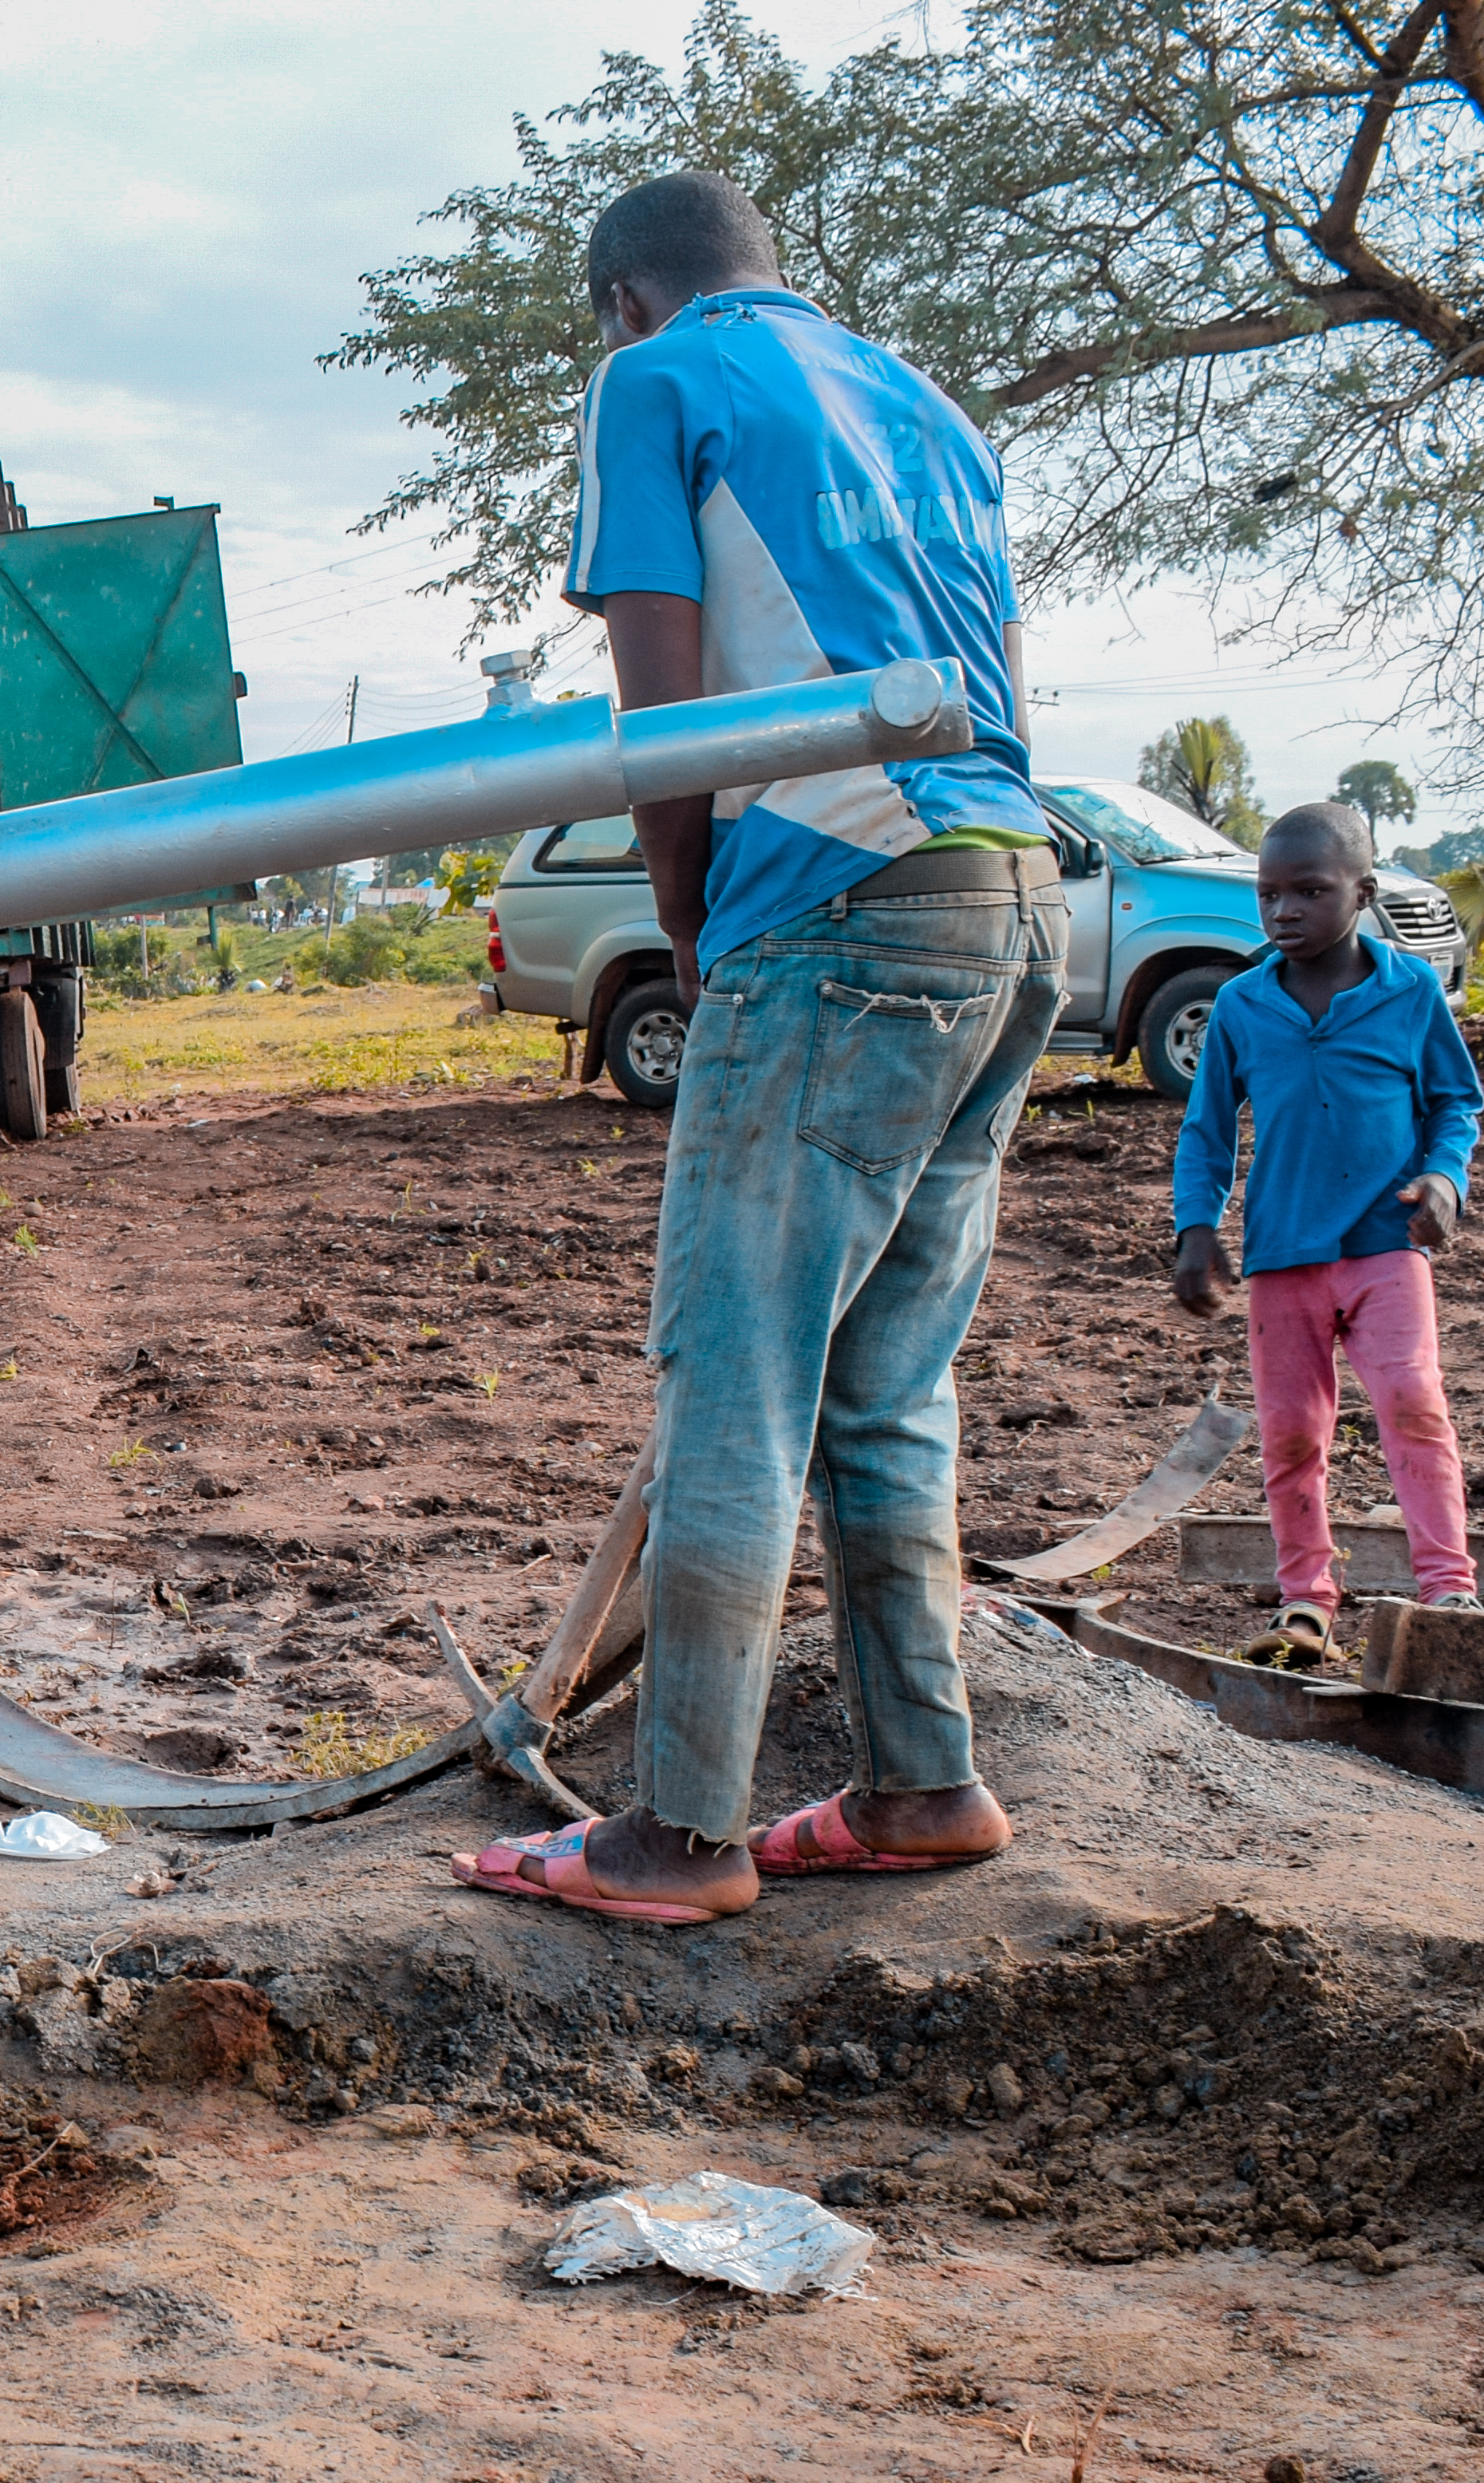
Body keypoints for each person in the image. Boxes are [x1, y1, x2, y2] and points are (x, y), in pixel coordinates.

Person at [448, 172, 1058, 1924]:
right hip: (1009, 885)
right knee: (886, 1381)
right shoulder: (925, 401)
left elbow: (664, 694)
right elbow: (1000, 660)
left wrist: (698, 912)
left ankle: (680, 1830)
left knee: (741, 1368)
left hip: (839, 893)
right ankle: (921, 1784)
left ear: (623, 296)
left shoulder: (657, 383)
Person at [1166, 803, 1484, 1643]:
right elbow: (1206, 1127)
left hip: (1387, 1241)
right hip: (1283, 1255)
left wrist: (1444, 1181)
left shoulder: (1410, 990)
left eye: (1310, 890)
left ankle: (1448, 1591)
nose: (1285, 912)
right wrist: (1197, 1225)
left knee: (1414, 1402)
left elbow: (1456, 1102)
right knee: (1291, 1431)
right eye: (1269, 894)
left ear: (1364, 892)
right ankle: (1306, 1598)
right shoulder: (1240, 1005)